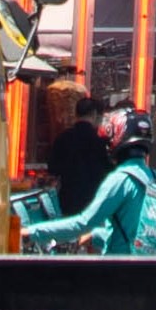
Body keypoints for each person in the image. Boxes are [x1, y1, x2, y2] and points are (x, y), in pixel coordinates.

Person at [45, 86, 113, 220]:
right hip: (93, 205)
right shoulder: (100, 143)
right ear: (94, 115)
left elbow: (53, 169)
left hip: (67, 203)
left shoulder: (62, 138)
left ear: (76, 114)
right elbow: (108, 171)